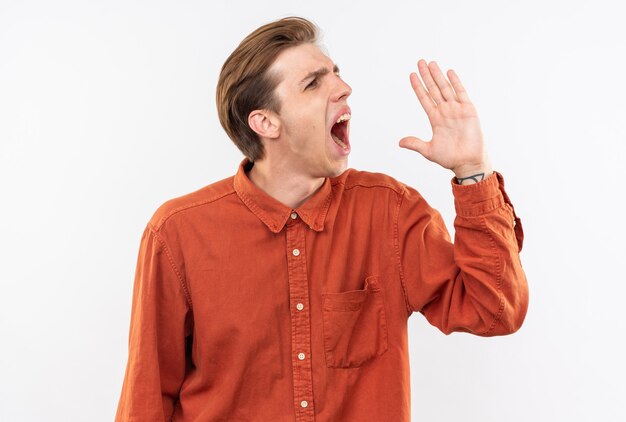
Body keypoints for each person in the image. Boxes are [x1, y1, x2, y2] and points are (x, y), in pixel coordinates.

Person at [115, 16, 528, 422]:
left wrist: (473, 171)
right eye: (313, 83)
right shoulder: (177, 232)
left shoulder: (389, 212)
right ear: (265, 122)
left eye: (336, 74)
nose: (344, 89)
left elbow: (495, 311)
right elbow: (147, 398)